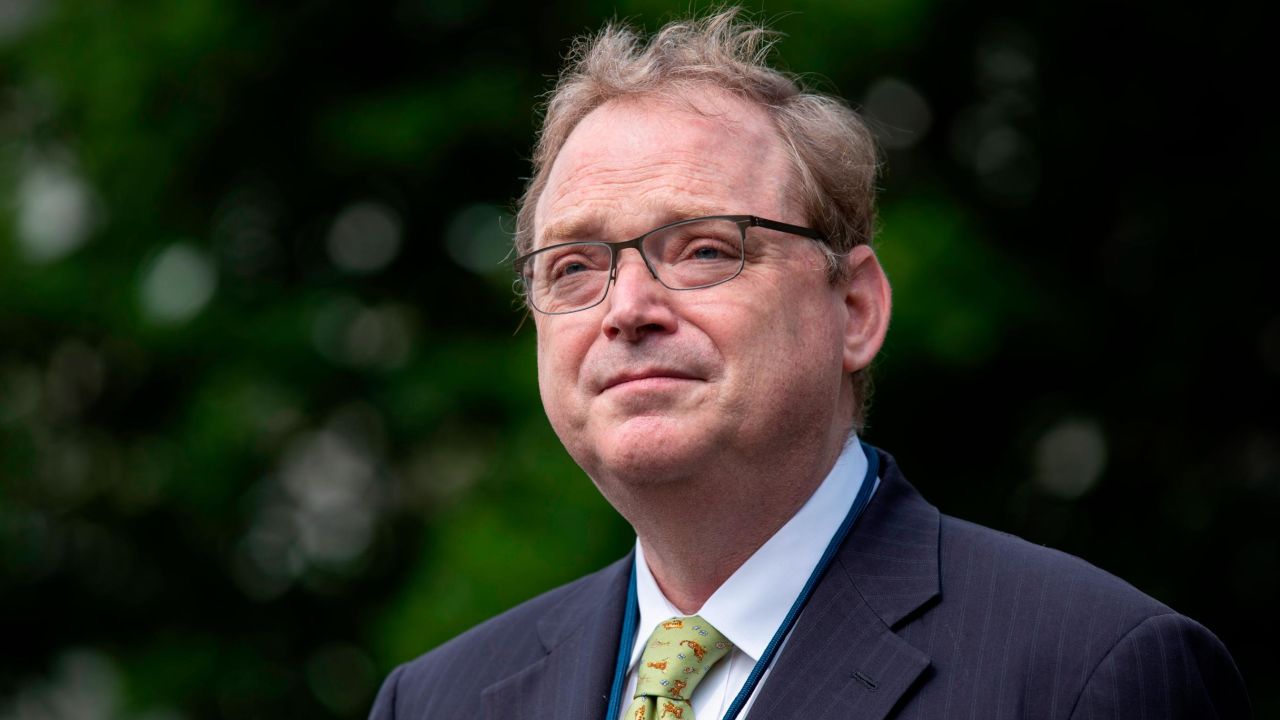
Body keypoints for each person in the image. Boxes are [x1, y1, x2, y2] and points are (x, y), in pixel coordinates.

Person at [370, 9, 1248, 719]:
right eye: (572, 267)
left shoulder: (1094, 673)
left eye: (705, 250)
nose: (627, 308)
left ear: (855, 310)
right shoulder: (436, 700)